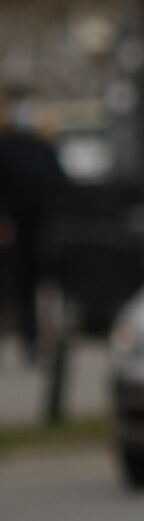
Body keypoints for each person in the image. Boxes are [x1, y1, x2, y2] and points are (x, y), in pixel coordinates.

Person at [0, 91, 67, 363]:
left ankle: (33, 338)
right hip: (17, 232)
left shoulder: (40, 149)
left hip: (38, 230)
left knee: (31, 287)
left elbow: (60, 185)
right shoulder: (12, 148)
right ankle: (23, 336)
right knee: (17, 286)